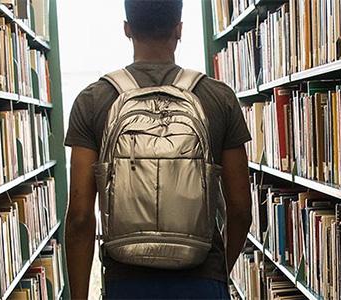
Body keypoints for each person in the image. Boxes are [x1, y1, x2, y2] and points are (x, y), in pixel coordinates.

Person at [64, 0, 252, 299]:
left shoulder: (93, 100)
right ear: (179, 29)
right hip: (202, 276)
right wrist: (219, 270)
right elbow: (241, 209)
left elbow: (80, 217)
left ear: (127, 29)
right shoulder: (219, 98)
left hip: (126, 279)